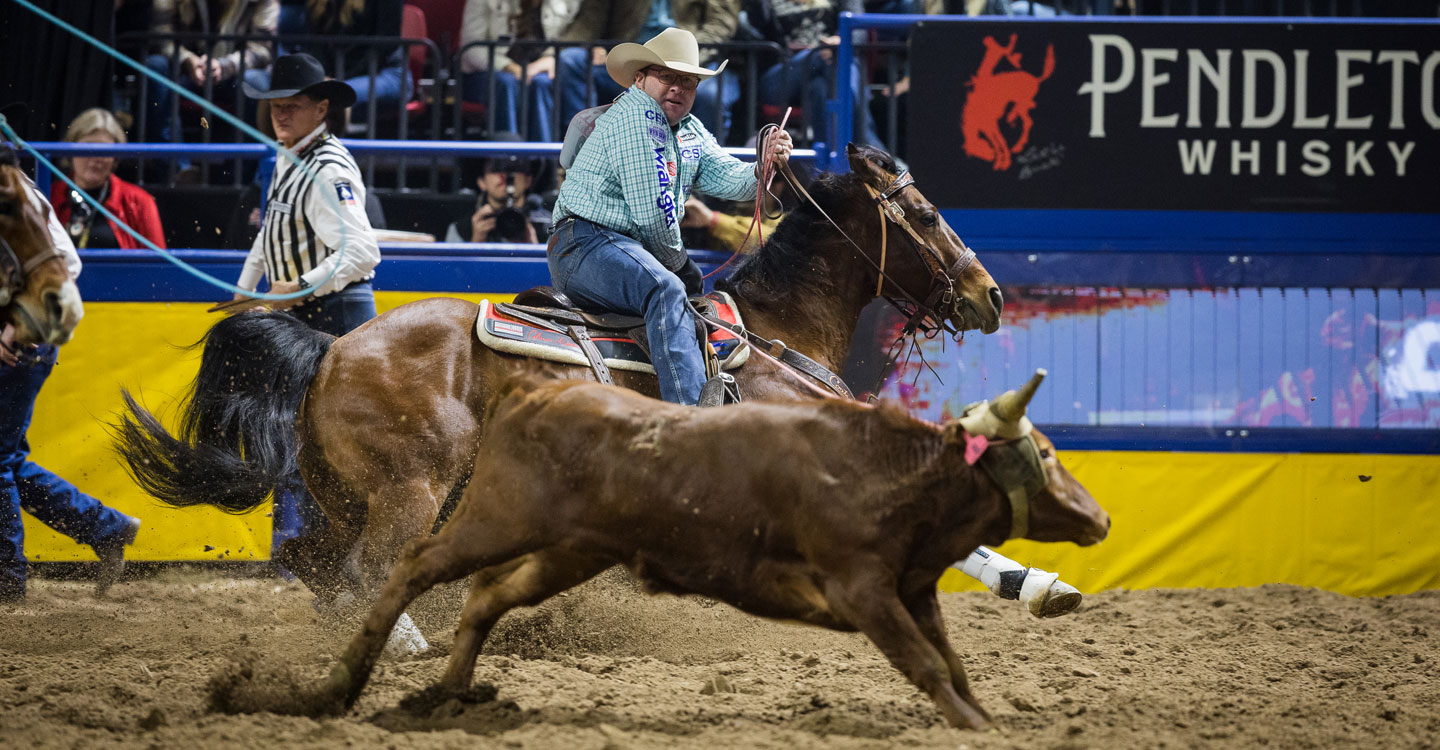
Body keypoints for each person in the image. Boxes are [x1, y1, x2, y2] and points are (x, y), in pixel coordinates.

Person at [548, 28, 792, 406]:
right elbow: (652, 215)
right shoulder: (634, 117)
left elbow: (732, 180)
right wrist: (680, 265)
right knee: (666, 289)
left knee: (672, 288)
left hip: (617, 248)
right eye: (668, 77)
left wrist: (763, 165)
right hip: (583, 243)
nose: (678, 88)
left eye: (688, 81)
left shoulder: (689, 130)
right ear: (639, 79)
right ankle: (690, 419)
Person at [2, 145, 142, 603]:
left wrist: (16, 325)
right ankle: (105, 529)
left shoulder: (17, 196)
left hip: (21, 339)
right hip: (29, 338)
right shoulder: (25, 192)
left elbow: (65, 265)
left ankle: (7, 584)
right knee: (7, 459)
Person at [234, 53, 381, 335]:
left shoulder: (327, 169)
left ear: (321, 109)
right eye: (276, 105)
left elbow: (362, 250)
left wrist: (300, 287)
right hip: (309, 315)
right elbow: (273, 230)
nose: (280, 115)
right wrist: (244, 290)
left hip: (336, 313)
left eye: (292, 106)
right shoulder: (289, 155)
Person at [546, 0, 742, 140]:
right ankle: (584, 153)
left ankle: (699, 188)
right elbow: (588, 21)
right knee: (570, 60)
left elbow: (719, 27)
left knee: (709, 96)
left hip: (693, 60)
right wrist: (549, 56)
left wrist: (679, 62)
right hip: (634, 58)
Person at [744, 0, 886, 151]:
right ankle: (872, 148)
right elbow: (755, 22)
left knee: (820, 87)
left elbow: (857, 26)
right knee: (827, 58)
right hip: (782, 76)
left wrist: (841, 41)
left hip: (830, 69)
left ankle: (829, 159)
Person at [143, 0, 279, 143]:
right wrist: (187, 60)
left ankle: (239, 163)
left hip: (236, 74)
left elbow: (262, 50)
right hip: (184, 73)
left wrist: (224, 66)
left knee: (254, 82)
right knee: (155, 65)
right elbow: (161, 36)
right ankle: (174, 162)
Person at [48, 109, 167, 251]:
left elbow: (157, 266)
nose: (95, 158)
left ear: (115, 158)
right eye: (87, 147)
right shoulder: (48, 196)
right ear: (70, 149)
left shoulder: (139, 201)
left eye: (104, 150)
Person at [446, 134, 554, 244]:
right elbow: (449, 261)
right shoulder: (461, 229)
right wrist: (476, 244)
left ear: (528, 180)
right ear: (481, 181)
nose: (505, 175)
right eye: (496, 167)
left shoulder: (549, 226)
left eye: (515, 167)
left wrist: (535, 252)